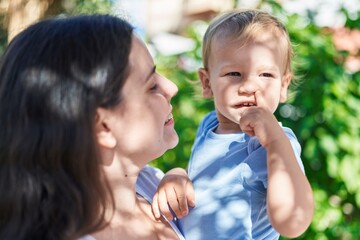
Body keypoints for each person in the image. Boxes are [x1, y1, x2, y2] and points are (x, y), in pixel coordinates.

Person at [0, 14, 193, 240]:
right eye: (151, 86)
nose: (171, 87)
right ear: (102, 126)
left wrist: (180, 176)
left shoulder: (153, 186)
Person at [153, 9, 314, 239]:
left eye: (266, 75)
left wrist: (275, 141)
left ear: (283, 85)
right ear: (207, 82)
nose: (250, 86)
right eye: (235, 73)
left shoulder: (273, 144)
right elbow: (203, 184)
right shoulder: (208, 126)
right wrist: (177, 176)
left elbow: (293, 223)